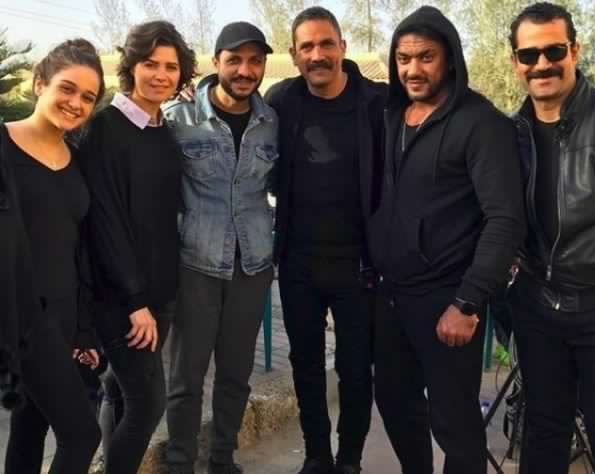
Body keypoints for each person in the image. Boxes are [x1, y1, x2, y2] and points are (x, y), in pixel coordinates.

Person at [368, 6, 526, 474]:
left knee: (455, 423)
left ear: (450, 59)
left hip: (447, 301)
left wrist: (468, 302)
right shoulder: (392, 116)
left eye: (426, 57)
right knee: (394, 402)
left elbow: (504, 220)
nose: (413, 70)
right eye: (403, 59)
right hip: (392, 295)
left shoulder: (482, 123)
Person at [508, 3, 595, 473]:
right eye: (529, 55)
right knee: (543, 429)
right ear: (516, 62)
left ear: (575, 50)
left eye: (554, 51)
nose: (542, 64)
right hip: (538, 306)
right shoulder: (510, 133)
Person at [264, 7, 386, 474]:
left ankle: (350, 458)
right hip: (298, 262)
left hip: (359, 266)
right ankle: (317, 455)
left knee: (355, 370)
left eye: (326, 44)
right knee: (306, 367)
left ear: (342, 47)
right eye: (307, 47)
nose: (317, 55)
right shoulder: (281, 101)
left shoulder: (376, 103)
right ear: (295, 55)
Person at [81, 21, 197, 474]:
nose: (161, 75)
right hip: (125, 300)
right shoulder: (105, 129)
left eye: (171, 66)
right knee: (148, 404)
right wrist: (134, 301)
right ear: (131, 66)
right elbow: (105, 222)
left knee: (119, 390)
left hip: (160, 292)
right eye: (150, 64)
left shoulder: (161, 128)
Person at [163, 22, 277, 474]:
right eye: (235, 60)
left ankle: (222, 459)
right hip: (196, 263)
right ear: (216, 63)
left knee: (235, 375)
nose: (245, 70)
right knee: (186, 378)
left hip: (253, 267)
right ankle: (179, 463)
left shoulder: (272, 123)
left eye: (255, 61)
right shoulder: (179, 118)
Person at [0, 38, 104, 474]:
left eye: (88, 97)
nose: (76, 103)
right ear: (39, 83)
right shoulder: (3, 146)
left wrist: (83, 329)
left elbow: (77, 249)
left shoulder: (76, 159)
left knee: (30, 429)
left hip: (62, 317)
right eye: (67, 88)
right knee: (82, 435)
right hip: (22, 319)